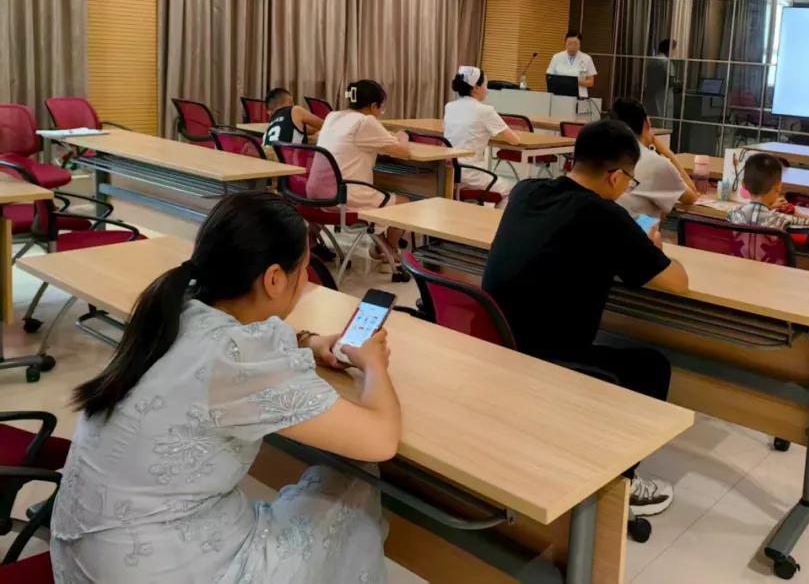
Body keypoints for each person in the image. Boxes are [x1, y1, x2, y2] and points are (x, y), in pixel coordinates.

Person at [51, 191, 401, 583]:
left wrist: (309, 341)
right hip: (157, 569)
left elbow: (245, 345)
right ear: (274, 278)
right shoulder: (237, 355)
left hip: (83, 556)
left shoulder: (175, 310)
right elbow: (381, 440)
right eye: (304, 269)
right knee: (355, 483)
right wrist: (373, 364)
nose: (305, 281)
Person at [482, 119, 689, 518]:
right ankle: (621, 486)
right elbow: (676, 282)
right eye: (629, 180)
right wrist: (655, 249)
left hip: (497, 338)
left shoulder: (526, 191)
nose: (627, 188)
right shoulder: (607, 217)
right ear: (615, 176)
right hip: (546, 354)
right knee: (651, 367)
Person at [311, 79, 412, 264]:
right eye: (380, 108)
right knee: (404, 204)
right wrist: (403, 136)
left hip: (317, 193)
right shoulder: (365, 121)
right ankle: (388, 253)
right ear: (373, 106)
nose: (380, 113)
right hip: (344, 194)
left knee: (378, 200)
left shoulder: (333, 116)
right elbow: (403, 152)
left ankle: (383, 248)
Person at [443, 66, 521, 205]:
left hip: (449, 171)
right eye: (485, 85)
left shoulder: (449, 106)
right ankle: (495, 220)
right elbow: (514, 140)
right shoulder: (485, 110)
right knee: (513, 190)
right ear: (476, 88)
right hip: (471, 173)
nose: (487, 89)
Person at [609, 97, 698, 218]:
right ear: (647, 122)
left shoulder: (603, 154)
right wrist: (669, 154)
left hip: (605, 226)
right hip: (635, 228)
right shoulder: (655, 163)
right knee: (655, 220)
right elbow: (691, 197)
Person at [730, 153, 809, 233]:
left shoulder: (733, 214)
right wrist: (795, 212)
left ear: (744, 184)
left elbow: (757, 215)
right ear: (778, 187)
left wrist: (769, 208)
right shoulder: (781, 220)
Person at [546, 30, 597, 100]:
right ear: (565, 43)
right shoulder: (557, 57)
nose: (572, 47)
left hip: (579, 97)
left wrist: (574, 82)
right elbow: (549, 78)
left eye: (575, 44)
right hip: (559, 96)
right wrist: (564, 82)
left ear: (580, 44)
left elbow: (591, 82)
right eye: (569, 44)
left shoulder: (586, 58)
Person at [644, 39, 678, 119]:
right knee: (663, 122)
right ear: (670, 49)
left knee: (651, 121)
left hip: (651, 98)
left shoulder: (651, 61)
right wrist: (680, 83)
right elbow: (670, 82)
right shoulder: (667, 62)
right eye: (674, 49)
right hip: (663, 99)